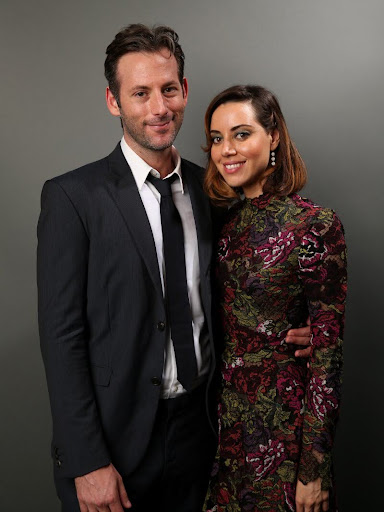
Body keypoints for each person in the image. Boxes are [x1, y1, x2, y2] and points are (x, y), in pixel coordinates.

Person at [37, 25, 312, 512]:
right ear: (113, 102)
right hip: (115, 442)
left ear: (184, 90)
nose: (158, 108)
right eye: (140, 93)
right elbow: (62, 338)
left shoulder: (215, 195)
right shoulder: (72, 199)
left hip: (206, 430)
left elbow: (242, 292)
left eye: (168, 89)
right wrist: (86, 460)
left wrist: (303, 327)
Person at [203, 85, 347, 512]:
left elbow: (327, 357)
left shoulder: (314, 225)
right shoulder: (221, 225)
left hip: (283, 435)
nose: (226, 149)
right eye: (216, 138)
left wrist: (314, 469)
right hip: (220, 432)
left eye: (241, 134)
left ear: (274, 136)